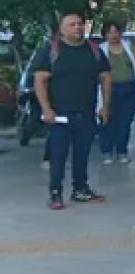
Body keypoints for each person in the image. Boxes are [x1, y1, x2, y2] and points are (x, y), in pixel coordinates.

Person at [31, 12, 110, 210]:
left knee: (82, 154)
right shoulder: (51, 50)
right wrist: (46, 108)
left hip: (86, 113)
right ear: (62, 29)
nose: (77, 27)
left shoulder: (94, 51)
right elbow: (40, 80)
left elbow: (106, 79)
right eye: (72, 24)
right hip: (59, 116)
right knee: (58, 156)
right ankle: (55, 193)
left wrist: (105, 106)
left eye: (80, 24)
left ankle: (81, 189)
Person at [97, 21, 135, 164]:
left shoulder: (129, 46)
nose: (113, 35)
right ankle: (107, 151)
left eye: (116, 32)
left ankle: (122, 150)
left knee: (124, 122)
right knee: (107, 120)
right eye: (110, 32)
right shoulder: (100, 50)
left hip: (129, 89)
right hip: (108, 89)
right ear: (105, 34)